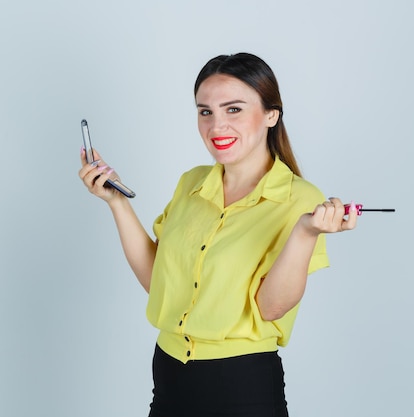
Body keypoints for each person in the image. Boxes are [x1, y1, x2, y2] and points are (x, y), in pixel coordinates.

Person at [78, 52, 358, 417]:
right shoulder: (191, 183)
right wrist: (116, 202)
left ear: (271, 115)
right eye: (205, 111)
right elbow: (157, 281)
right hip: (168, 374)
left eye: (234, 109)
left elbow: (271, 308)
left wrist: (305, 232)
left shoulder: (300, 199)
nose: (216, 126)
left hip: (241, 385)